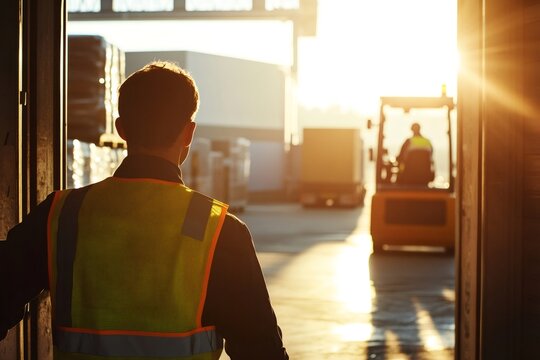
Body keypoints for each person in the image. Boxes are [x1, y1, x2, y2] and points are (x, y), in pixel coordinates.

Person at [0, 61, 289, 359]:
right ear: (189, 134)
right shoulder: (220, 231)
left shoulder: (63, 215)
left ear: (121, 129)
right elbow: (262, 352)